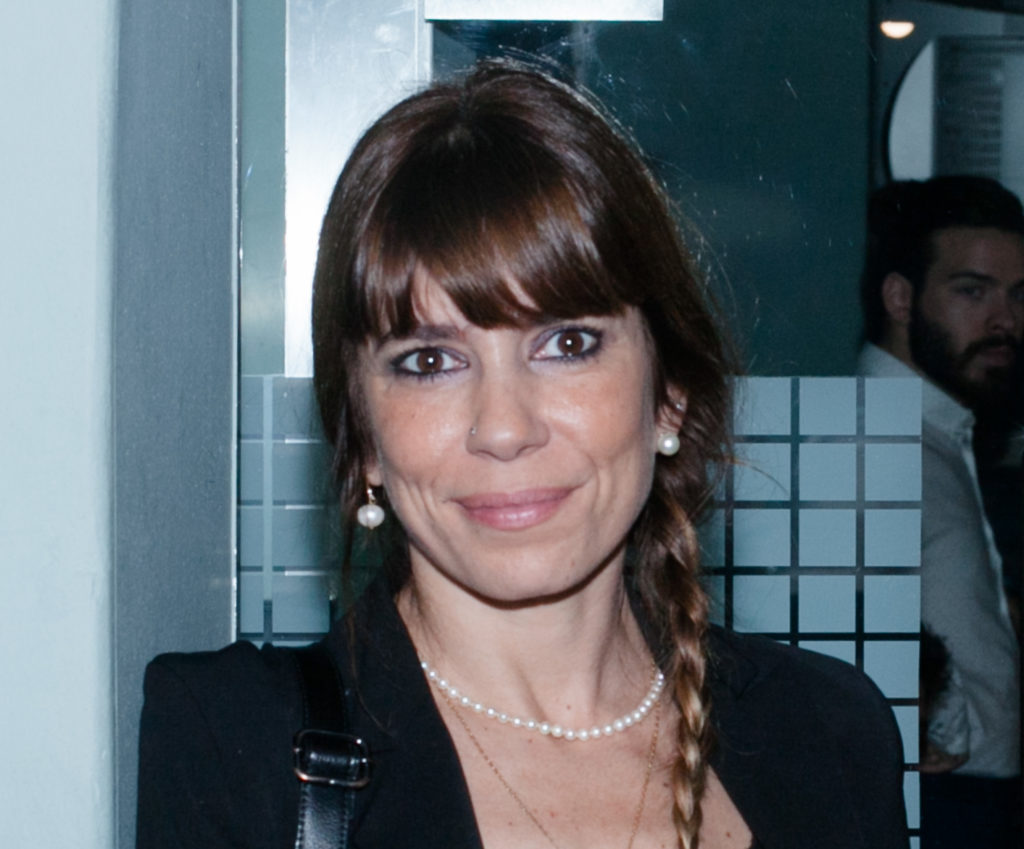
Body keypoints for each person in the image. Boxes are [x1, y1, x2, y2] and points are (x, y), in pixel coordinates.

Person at [137, 62, 907, 849]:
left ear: (668, 394)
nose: (504, 428)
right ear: (362, 434)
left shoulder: (830, 734)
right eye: (430, 361)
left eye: (567, 344)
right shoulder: (237, 748)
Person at [857, 175, 1023, 848]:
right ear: (900, 298)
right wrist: (930, 725)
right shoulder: (875, 438)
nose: (1004, 321)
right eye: (972, 291)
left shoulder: (936, 435)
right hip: (938, 801)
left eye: (1018, 295)